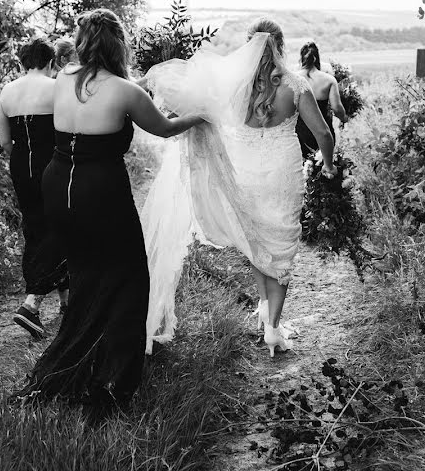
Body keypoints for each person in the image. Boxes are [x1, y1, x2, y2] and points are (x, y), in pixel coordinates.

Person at [15, 9, 202, 410]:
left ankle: (75, 364)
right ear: (119, 44)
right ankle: (111, 380)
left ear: (82, 41)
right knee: (127, 279)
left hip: (58, 185)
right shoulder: (126, 90)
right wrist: (201, 115)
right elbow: (167, 128)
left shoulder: (61, 78)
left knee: (86, 275)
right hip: (100, 189)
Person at [142, 18, 336, 357]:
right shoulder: (295, 85)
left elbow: (202, 110)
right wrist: (329, 164)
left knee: (255, 237)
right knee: (280, 246)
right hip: (281, 171)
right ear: (281, 44)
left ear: (249, 47)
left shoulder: (235, 87)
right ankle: (273, 328)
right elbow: (323, 134)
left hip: (244, 168)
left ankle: (264, 308)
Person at [0, 38, 68, 340]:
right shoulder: (56, 88)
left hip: (20, 166)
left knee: (35, 228)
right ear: (52, 62)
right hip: (52, 165)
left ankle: (67, 303)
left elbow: (5, 143)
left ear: (22, 63)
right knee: (60, 228)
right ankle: (32, 303)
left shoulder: (7, 91)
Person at [294, 42, 349, 159]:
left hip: (300, 133)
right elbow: (337, 108)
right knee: (324, 166)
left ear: (301, 58)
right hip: (324, 131)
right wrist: (344, 119)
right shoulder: (329, 80)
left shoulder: (293, 79)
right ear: (317, 57)